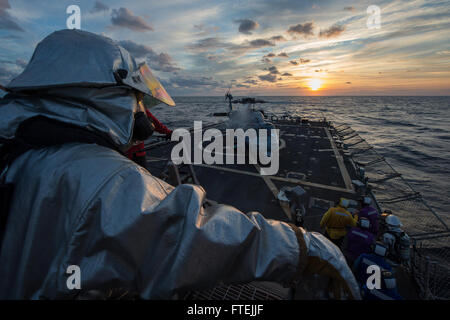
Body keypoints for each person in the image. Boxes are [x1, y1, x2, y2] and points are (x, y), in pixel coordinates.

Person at [0, 29, 360, 300]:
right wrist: (305, 247)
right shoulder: (97, 178)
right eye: (136, 100)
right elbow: (192, 232)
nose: (140, 112)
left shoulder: (20, 149)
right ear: (106, 95)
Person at [125, 93, 173, 168]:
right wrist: (168, 132)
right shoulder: (136, 106)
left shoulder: (116, 106)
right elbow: (153, 121)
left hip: (116, 152)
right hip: (135, 152)